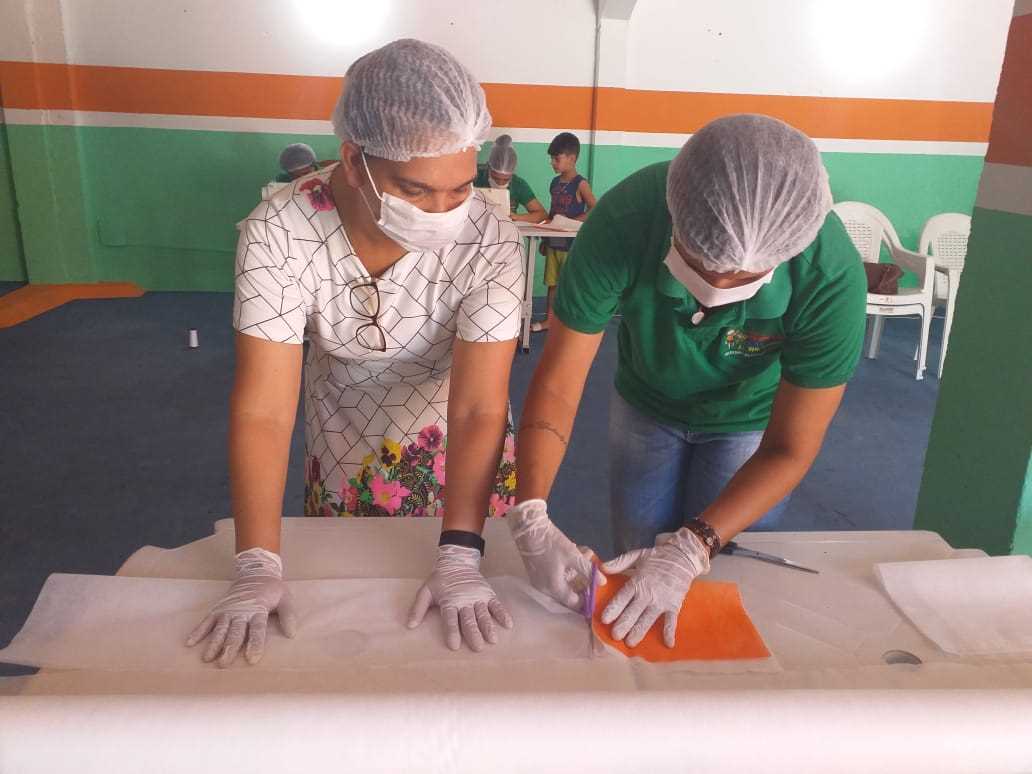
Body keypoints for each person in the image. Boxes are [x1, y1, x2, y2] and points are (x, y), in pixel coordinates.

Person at [186, 39, 525, 667]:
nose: (443, 212)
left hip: (460, 446)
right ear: (353, 158)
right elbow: (263, 409)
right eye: (416, 190)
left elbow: (480, 405)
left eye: (460, 189)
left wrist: (458, 551)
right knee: (360, 631)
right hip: (347, 441)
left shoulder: (490, 236)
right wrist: (256, 562)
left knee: (475, 653)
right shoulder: (280, 231)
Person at [506, 114, 866, 649]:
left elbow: (791, 446)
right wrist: (531, 512)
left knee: (729, 571)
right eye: (701, 262)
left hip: (748, 422)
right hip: (646, 402)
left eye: (743, 279)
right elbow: (557, 382)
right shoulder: (625, 221)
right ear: (675, 218)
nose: (714, 289)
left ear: (784, 257)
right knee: (635, 556)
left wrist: (695, 543)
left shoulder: (828, 274)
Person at [532, 131, 595, 332]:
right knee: (552, 284)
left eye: (556, 159)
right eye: (551, 158)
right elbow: (552, 213)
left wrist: (570, 222)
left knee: (570, 285)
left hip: (572, 245)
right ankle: (549, 320)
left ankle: (572, 323)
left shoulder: (581, 184)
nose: (552, 163)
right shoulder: (554, 183)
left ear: (572, 158)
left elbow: (594, 208)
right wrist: (545, 237)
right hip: (554, 243)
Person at [474, 135, 547, 223]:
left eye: (506, 180)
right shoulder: (475, 177)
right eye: (496, 178)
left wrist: (517, 217)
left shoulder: (518, 184)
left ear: (512, 173)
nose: (500, 183)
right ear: (489, 167)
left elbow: (542, 215)